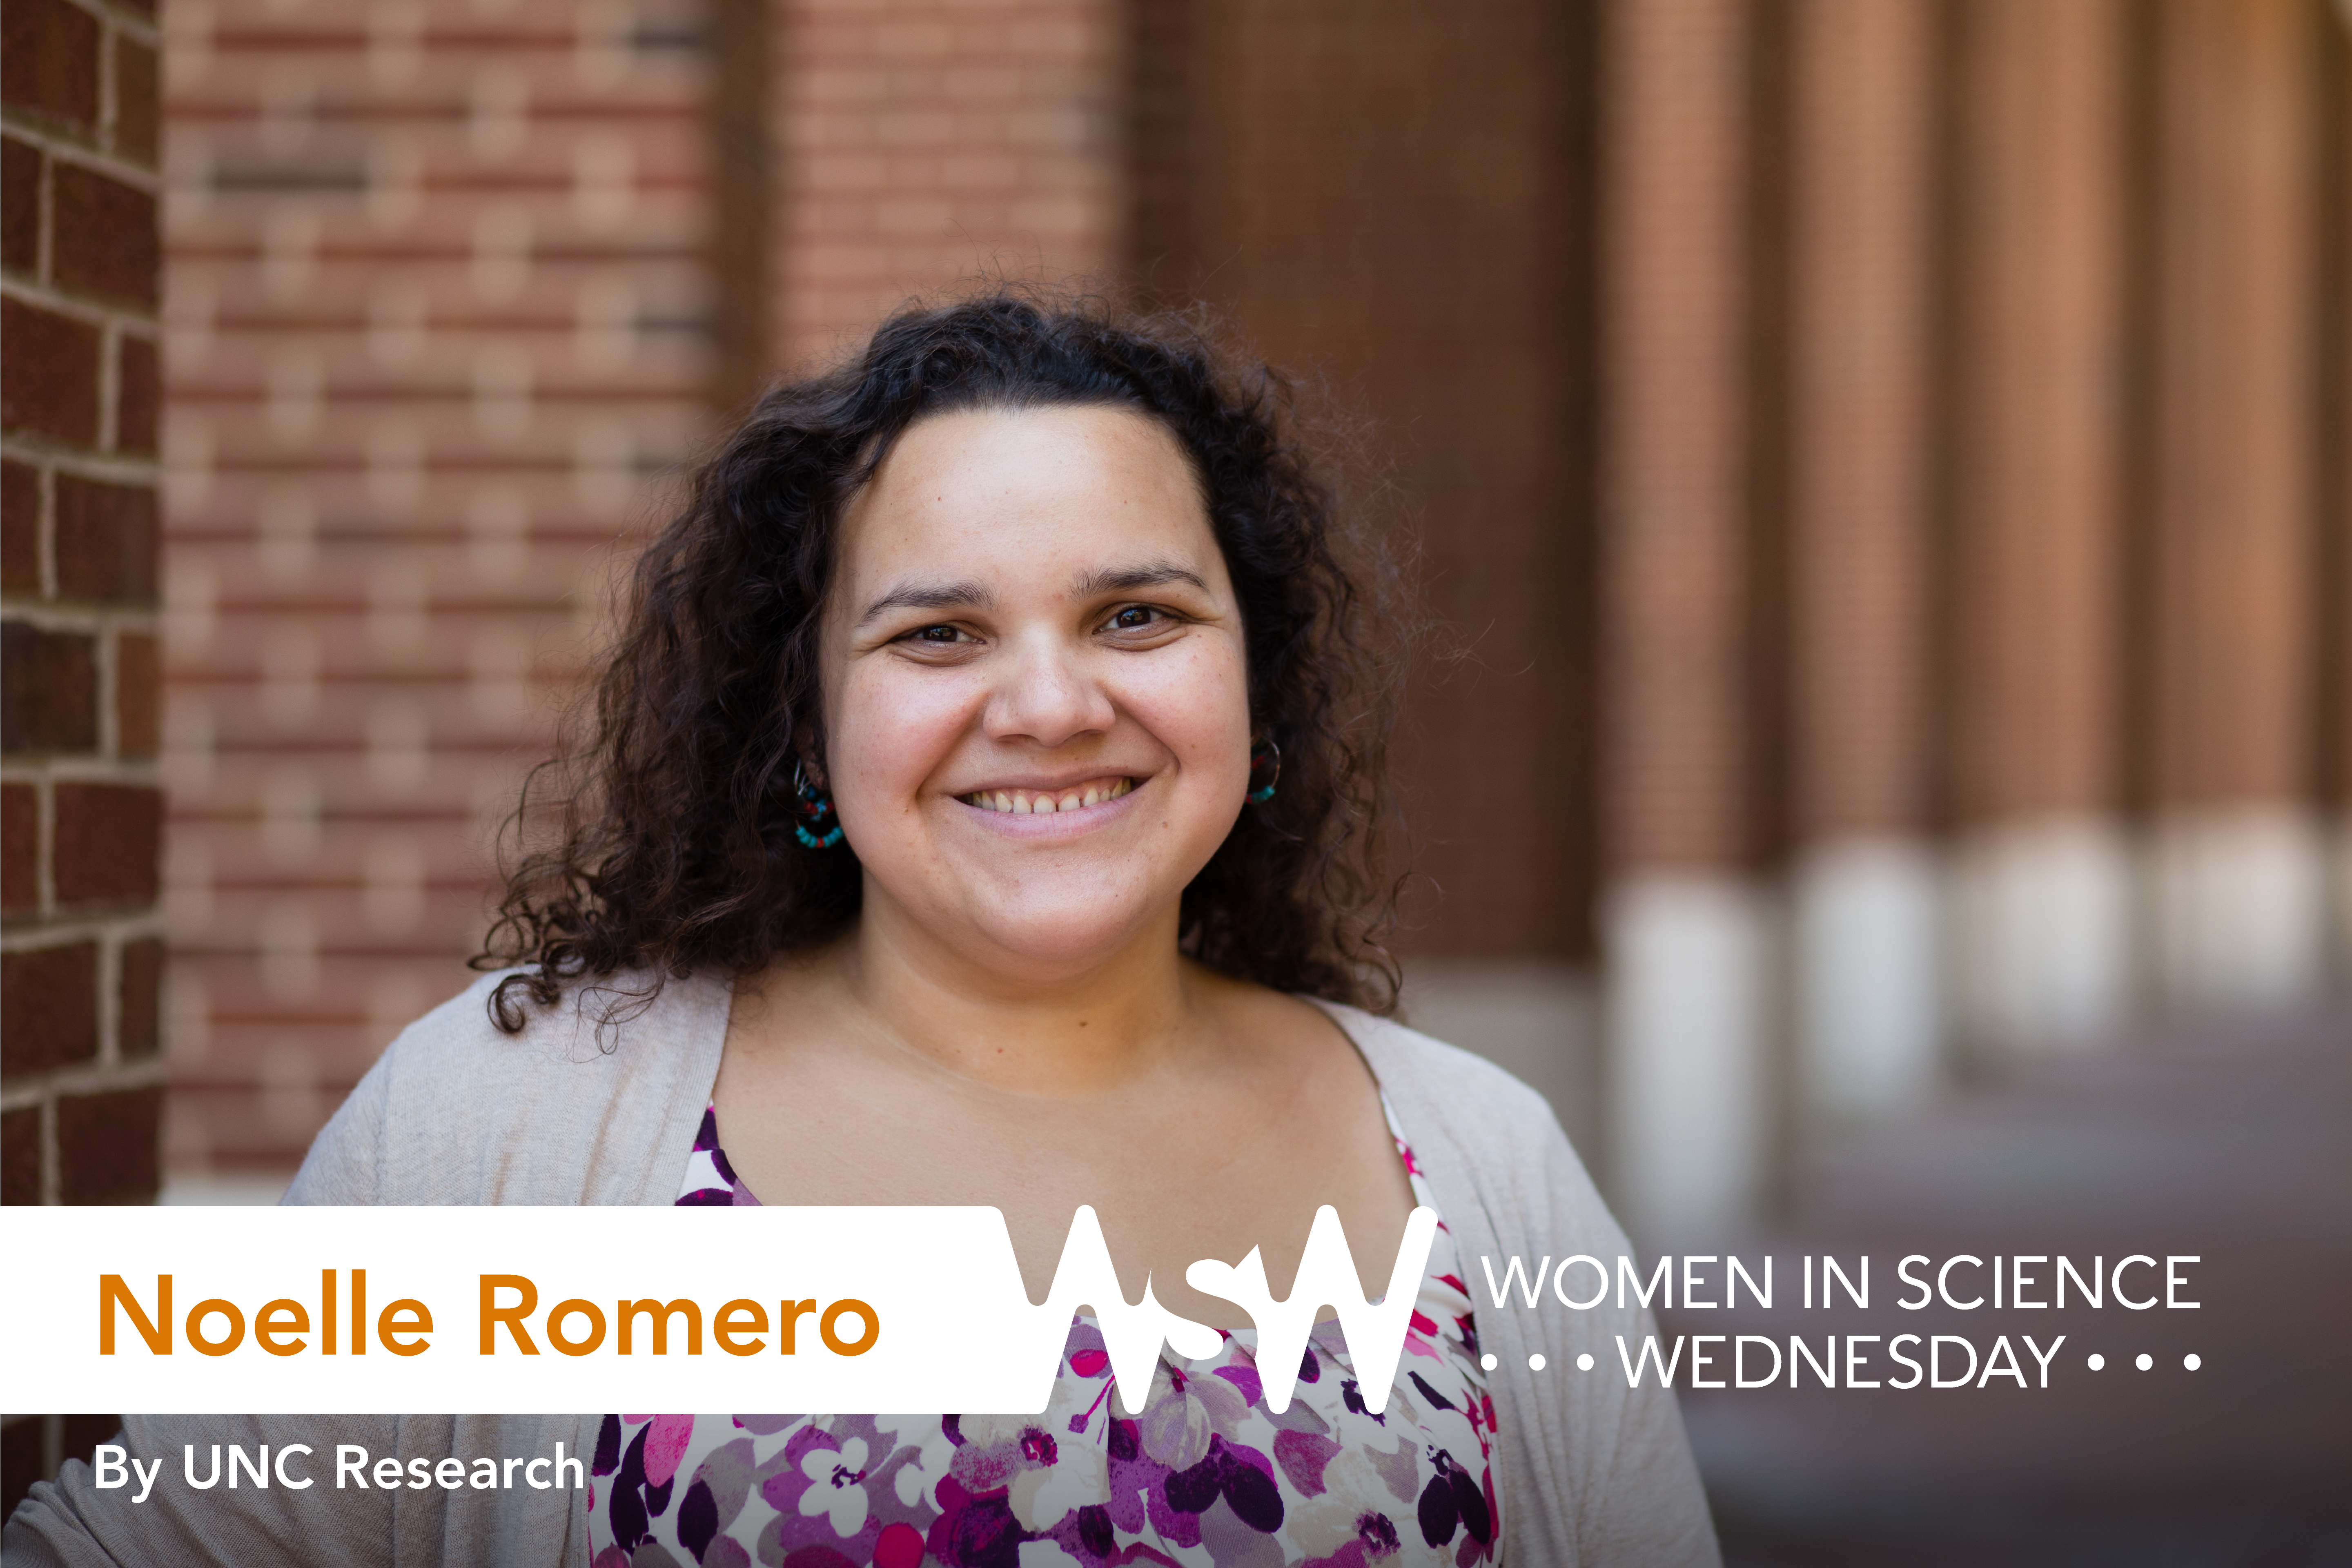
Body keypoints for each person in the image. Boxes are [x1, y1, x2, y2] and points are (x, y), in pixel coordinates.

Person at [7, 294, 1717, 1566]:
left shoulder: (1480, 1161)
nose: (1049, 703)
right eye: (938, 635)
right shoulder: (513, 1130)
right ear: (807, 723)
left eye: (1137, 613)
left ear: (1252, 689)